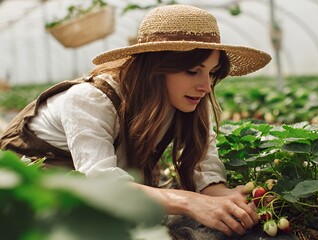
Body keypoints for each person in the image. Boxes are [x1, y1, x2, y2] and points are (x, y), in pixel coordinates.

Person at [0, 4, 271, 238]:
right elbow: (102, 184)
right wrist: (188, 201)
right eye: (192, 71)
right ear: (155, 68)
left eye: (212, 73)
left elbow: (203, 160)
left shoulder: (185, 99)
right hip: (31, 187)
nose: (205, 85)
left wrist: (223, 197)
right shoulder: (89, 99)